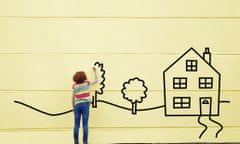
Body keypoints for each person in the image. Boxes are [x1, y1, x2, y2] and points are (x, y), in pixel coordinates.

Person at [72, 67, 98, 144]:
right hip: (85, 105)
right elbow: (96, 81)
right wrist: (95, 71)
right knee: (85, 125)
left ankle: (76, 142)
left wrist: (73, 106)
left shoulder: (74, 86)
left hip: (77, 105)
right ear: (84, 77)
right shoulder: (86, 83)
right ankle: (85, 142)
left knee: (76, 125)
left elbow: (73, 96)